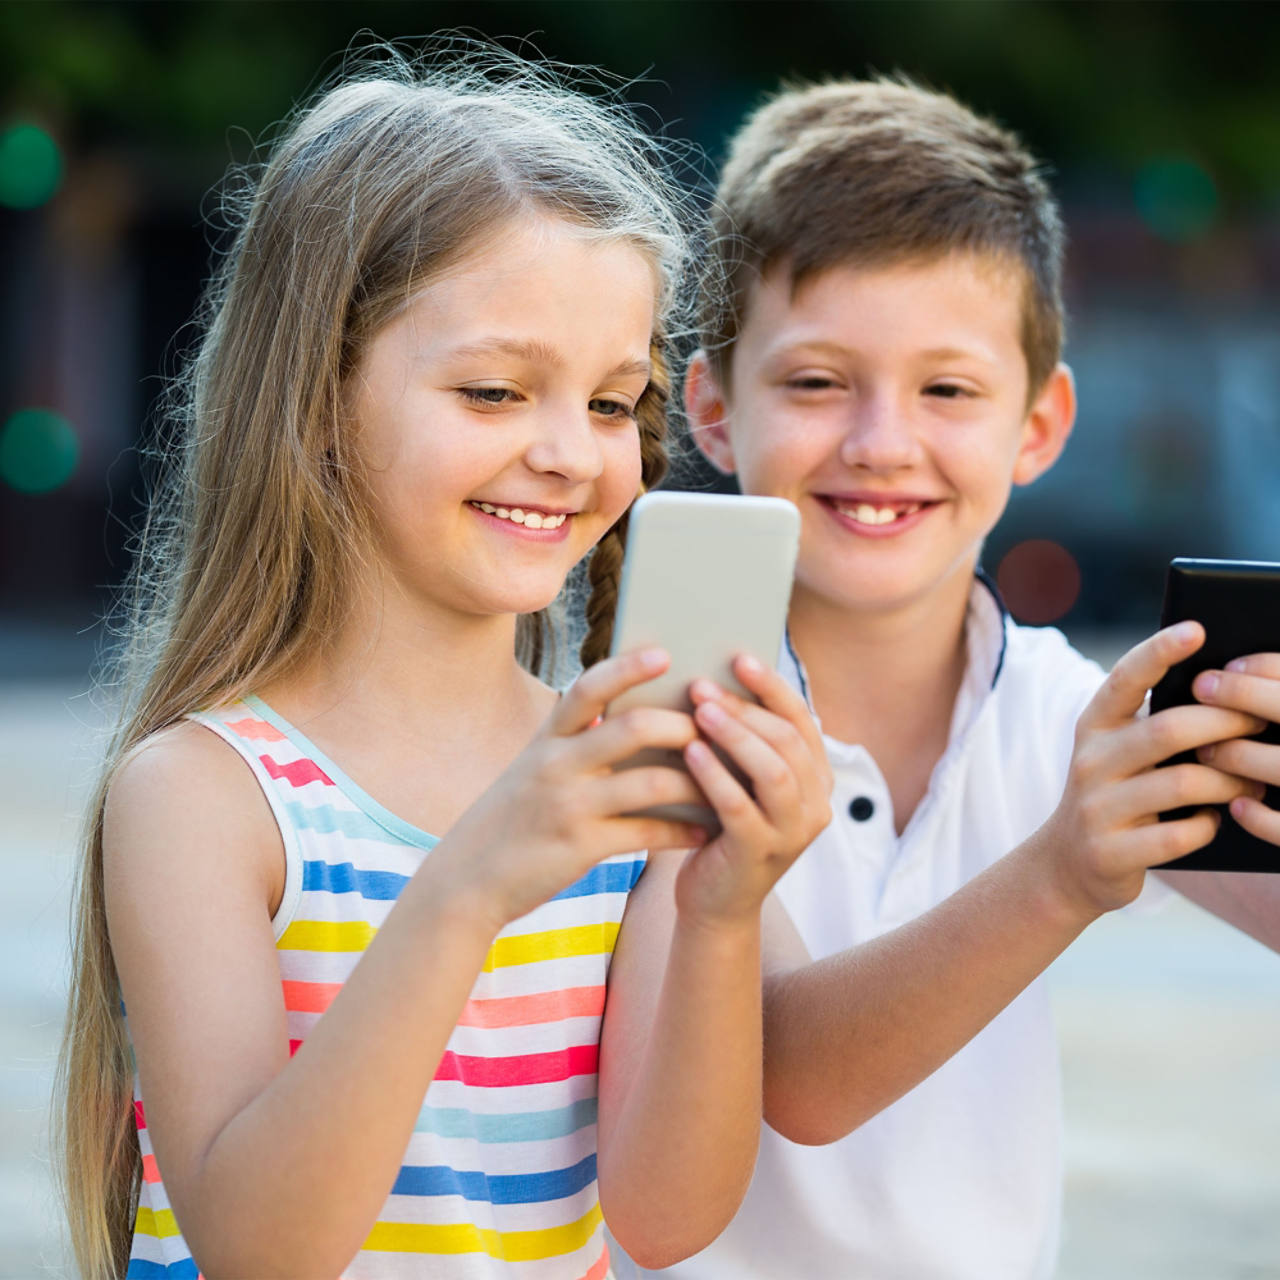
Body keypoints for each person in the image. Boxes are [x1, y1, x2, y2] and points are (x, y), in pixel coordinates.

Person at [54, 52, 835, 1280]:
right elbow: (262, 1246)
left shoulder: (622, 773)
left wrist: (718, 907)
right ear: (315, 396)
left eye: (611, 404)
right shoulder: (203, 793)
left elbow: (665, 1211)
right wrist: (470, 884)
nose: (570, 454)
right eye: (493, 390)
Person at [623, 77, 1280, 1279]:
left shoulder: (1068, 714)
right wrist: (1058, 872)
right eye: (816, 382)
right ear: (711, 407)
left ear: (1037, 422)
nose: (881, 440)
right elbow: (798, 1076)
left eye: (947, 389)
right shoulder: (666, 710)